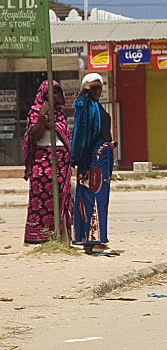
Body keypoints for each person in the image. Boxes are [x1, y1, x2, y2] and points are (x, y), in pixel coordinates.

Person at [22, 80, 73, 244]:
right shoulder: (35, 111)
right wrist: (42, 117)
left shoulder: (60, 113)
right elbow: (34, 136)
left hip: (61, 163)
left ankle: (59, 237)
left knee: (61, 198)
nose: (54, 95)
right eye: (50, 92)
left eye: (57, 92)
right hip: (42, 162)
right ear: (42, 94)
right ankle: (39, 237)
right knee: (41, 199)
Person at [71, 73, 115, 254]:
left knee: (98, 198)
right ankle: (95, 242)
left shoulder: (97, 107)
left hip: (102, 158)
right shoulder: (85, 105)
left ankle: (93, 240)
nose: (98, 90)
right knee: (94, 197)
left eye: (100, 86)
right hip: (92, 159)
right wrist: (85, 92)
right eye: (93, 87)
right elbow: (80, 125)